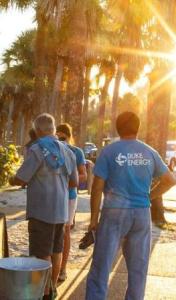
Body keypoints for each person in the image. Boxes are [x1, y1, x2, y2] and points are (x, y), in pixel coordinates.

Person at [85, 112, 175, 299]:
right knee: (138, 270)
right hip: (141, 214)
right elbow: (169, 180)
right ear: (137, 128)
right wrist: (148, 197)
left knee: (101, 267)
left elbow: (97, 187)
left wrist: (94, 220)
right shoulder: (149, 152)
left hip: (114, 213)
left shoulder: (109, 151)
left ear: (118, 128)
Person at [9, 114, 78, 299]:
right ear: (54, 129)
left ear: (38, 130)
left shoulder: (37, 149)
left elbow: (22, 177)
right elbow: (74, 182)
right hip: (61, 211)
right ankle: (52, 288)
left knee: (41, 254)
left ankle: (43, 293)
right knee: (56, 251)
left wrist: (12, 178)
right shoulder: (68, 151)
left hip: (41, 211)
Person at [56, 123, 87, 281]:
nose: (60, 139)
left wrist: (66, 180)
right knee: (53, 230)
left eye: (62, 136)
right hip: (53, 196)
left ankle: (62, 268)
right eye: (57, 136)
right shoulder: (51, 150)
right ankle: (52, 268)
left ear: (68, 137)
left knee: (65, 231)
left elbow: (83, 175)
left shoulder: (76, 151)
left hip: (69, 196)